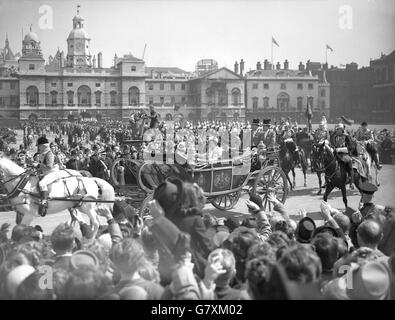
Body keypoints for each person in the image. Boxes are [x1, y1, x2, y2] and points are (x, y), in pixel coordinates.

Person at [36, 136, 60, 217]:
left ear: (43, 146)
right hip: (46, 173)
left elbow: (49, 166)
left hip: (53, 173)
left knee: (42, 183)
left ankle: (44, 201)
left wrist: (38, 165)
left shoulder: (49, 154)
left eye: (39, 146)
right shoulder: (43, 154)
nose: (38, 147)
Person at [330, 123, 354, 189]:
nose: (338, 131)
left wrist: (340, 149)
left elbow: (351, 147)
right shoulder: (334, 137)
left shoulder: (346, 136)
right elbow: (332, 144)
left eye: (339, 130)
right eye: (337, 130)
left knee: (349, 165)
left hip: (345, 154)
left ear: (342, 130)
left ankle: (351, 182)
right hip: (336, 154)